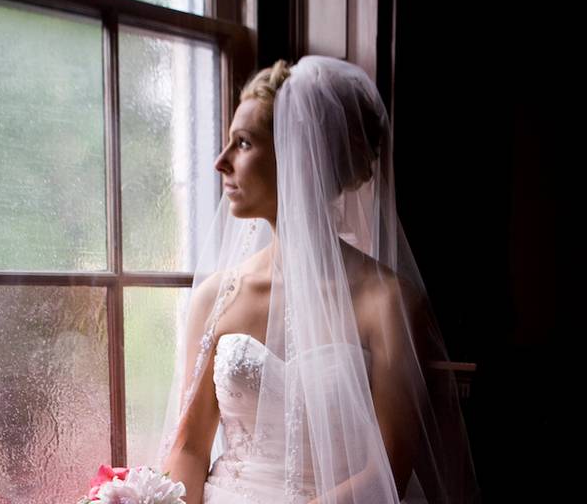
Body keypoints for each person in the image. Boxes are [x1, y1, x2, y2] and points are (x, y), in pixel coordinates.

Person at [156, 55, 480, 503]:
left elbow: (388, 467)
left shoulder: (387, 302)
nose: (220, 162)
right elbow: (189, 448)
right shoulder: (216, 297)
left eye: (243, 143)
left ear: (300, 154)